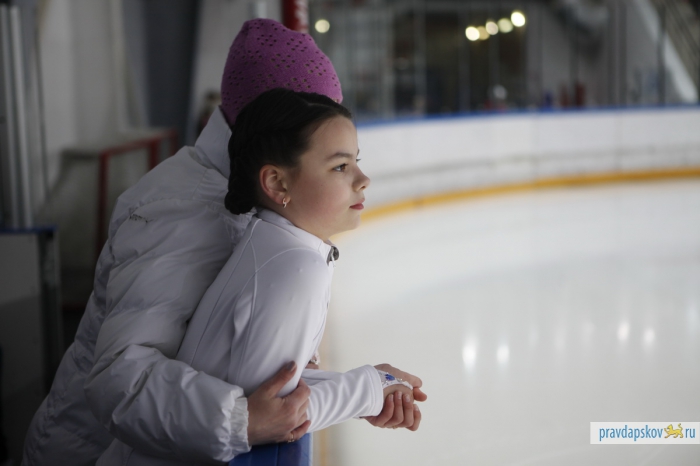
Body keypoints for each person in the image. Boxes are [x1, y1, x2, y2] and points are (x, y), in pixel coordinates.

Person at [22, 19, 422, 466]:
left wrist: (366, 387)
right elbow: (121, 378)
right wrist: (239, 421)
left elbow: (233, 367)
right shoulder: (185, 212)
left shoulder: (249, 202)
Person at [97, 87, 426, 466]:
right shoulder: (297, 268)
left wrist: (375, 384)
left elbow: (266, 387)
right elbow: (278, 411)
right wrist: (367, 390)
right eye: (340, 167)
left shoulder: (274, 245)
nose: (363, 179)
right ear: (277, 184)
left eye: (356, 162)